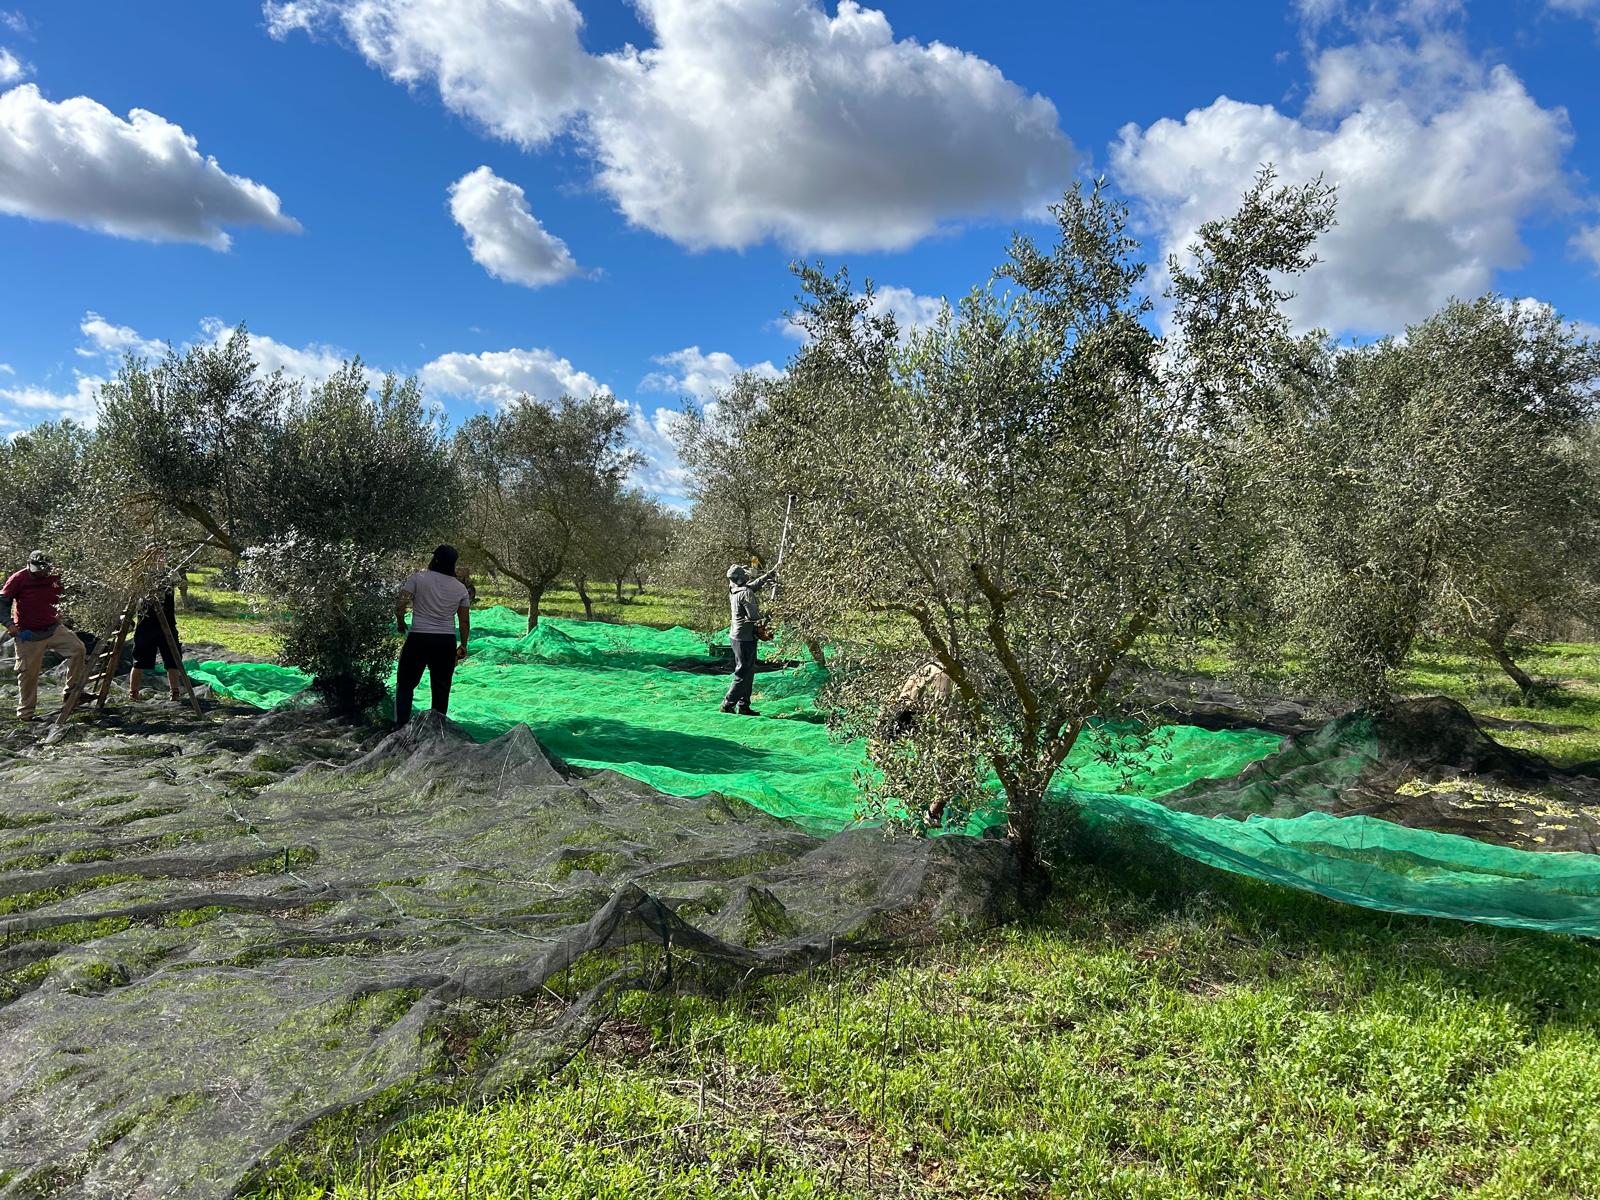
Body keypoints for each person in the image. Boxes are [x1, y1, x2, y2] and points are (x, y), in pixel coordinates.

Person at [1, 550, 87, 721]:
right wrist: (9, 624)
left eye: (42, 570)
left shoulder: (56, 575)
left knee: (78, 649)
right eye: (36, 569)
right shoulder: (19, 579)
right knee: (28, 674)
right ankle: (25, 714)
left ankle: (71, 692)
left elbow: (73, 590)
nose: (39, 573)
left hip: (53, 628)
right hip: (28, 634)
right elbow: (1, 603)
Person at [394, 544, 471, 727]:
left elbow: (401, 603)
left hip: (418, 638)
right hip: (445, 642)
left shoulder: (418, 578)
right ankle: (436, 730)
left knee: (405, 684)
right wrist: (463, 645)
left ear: (435, 559)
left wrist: (400, 621)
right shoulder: (460, 588)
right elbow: (464, 621)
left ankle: (399, 727)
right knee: (441, 689)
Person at [720, 562, 777, 716]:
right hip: (745, 639)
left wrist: (769, 575)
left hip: (737, 637)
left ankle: (744, 705)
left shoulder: (734, 589)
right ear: (741, 578)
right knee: (743, 672)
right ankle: (727, 704)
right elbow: (753, 616)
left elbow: (752, 587)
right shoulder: (745, 592)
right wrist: (769, 613)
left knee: (748, 671)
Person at [129, 583, 184, 703]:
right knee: (139, 661)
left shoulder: (168, 575)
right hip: (146, 625)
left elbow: (180, 583)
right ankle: (133, 694)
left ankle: (175, 693)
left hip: (167, 624)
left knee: (173, 661)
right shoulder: (142, 577)